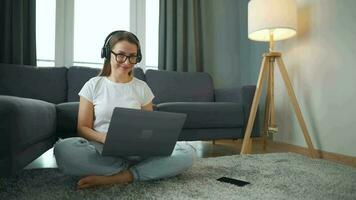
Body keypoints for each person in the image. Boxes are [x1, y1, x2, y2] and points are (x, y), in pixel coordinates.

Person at [54, 30, 195, 189]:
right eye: (121, 55)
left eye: (133, 56)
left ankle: (123, 176)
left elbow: (150, 127)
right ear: (108, 54)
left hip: (138, 150)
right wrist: (104, 138)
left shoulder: (142, 88)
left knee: (187, 151)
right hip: (102, 149)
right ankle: (142, 170)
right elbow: (83, 128)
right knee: (63, 149)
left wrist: (148, 142)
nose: (127, 62)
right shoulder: (93, 85)